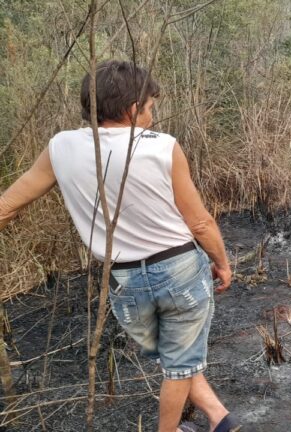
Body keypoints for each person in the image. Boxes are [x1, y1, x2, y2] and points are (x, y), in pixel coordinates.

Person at [0, 61, 239, 432]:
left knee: (176, 357)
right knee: (179, 364)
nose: (152, 114)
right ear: (131, 109)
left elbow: (8, 206)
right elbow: (201, 223)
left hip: (124, 283)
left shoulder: (60, 147)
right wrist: (222, 262)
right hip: (178, 270)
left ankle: (219, 418)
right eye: (149, 107)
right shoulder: (163, 147)